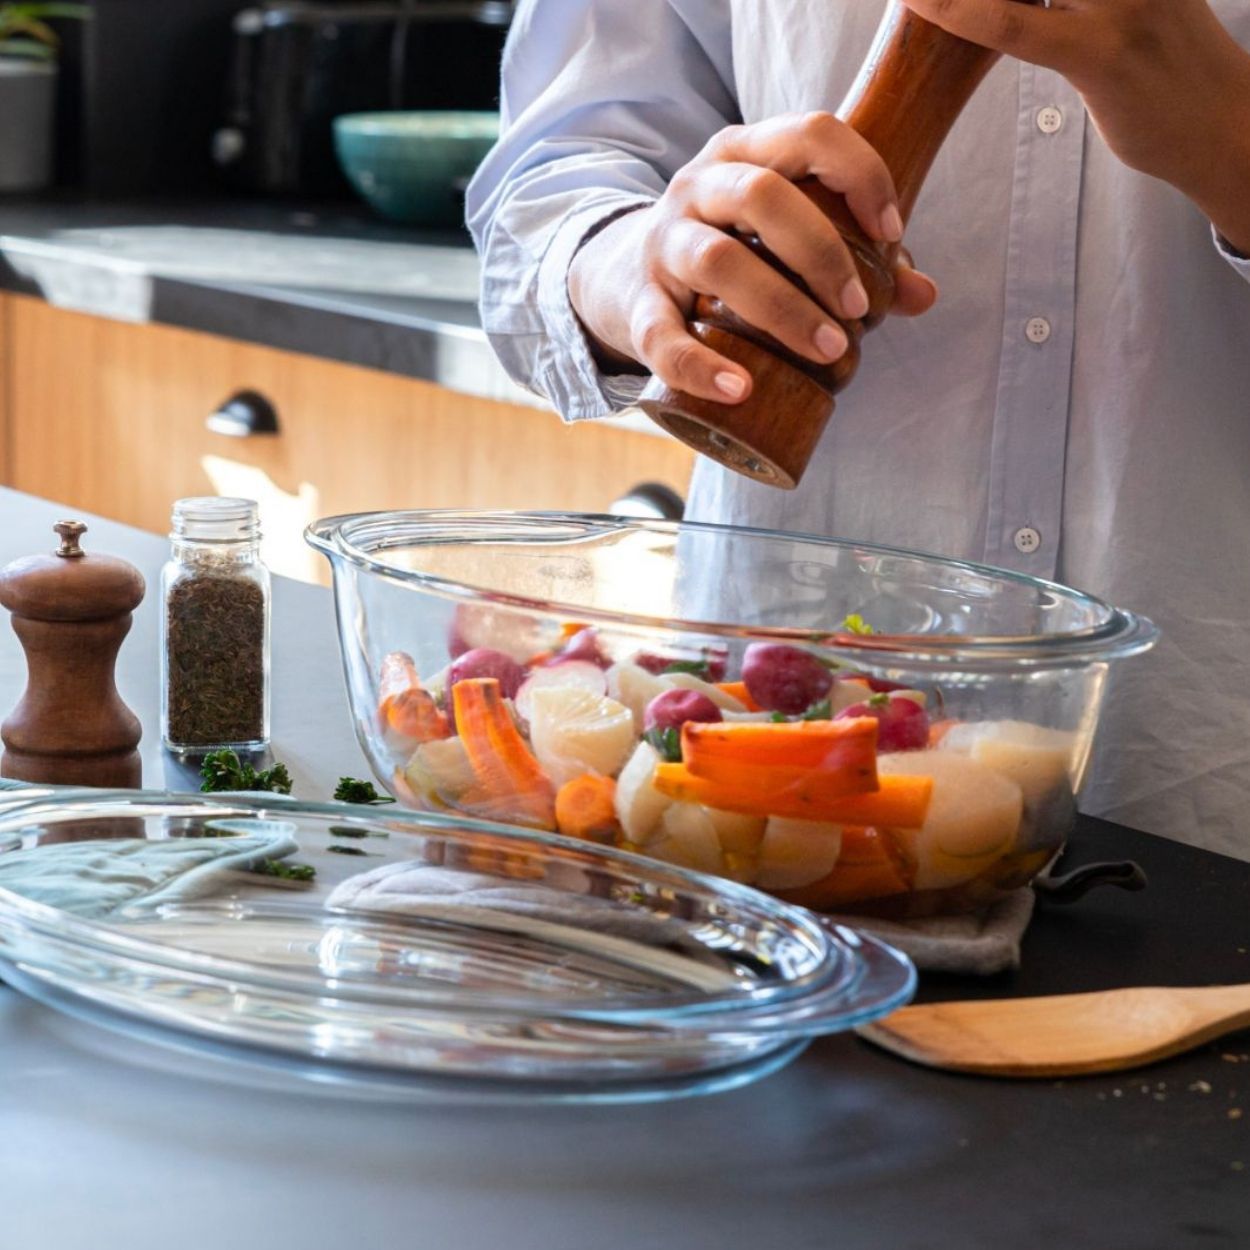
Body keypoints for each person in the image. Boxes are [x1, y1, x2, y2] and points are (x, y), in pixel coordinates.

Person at [467, 0, 1250, 855]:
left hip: (1204, 780)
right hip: (766, 781)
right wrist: (641, 264)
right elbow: (563, 165)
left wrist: (1228, 133)